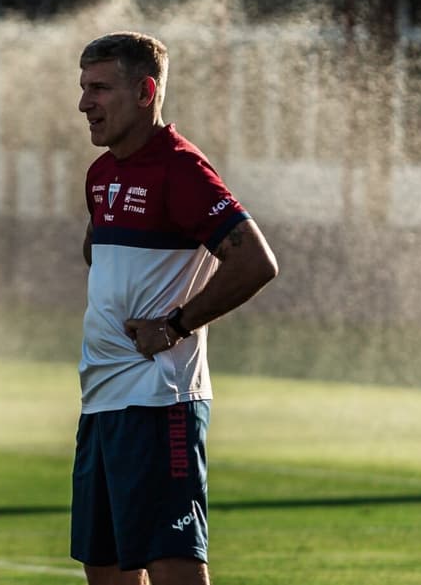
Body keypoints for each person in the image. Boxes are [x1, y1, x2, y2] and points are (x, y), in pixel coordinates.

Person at [71, 32, 279, 585]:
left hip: (159, 401)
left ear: (145, 91)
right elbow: (103, 246)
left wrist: (175, 324)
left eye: (100, 88)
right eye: (83, 88)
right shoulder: (102, 174)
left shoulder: (181, 168)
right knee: (107, 569)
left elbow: (255, 261)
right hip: (102, 400)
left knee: (173, 568)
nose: (84, 103)